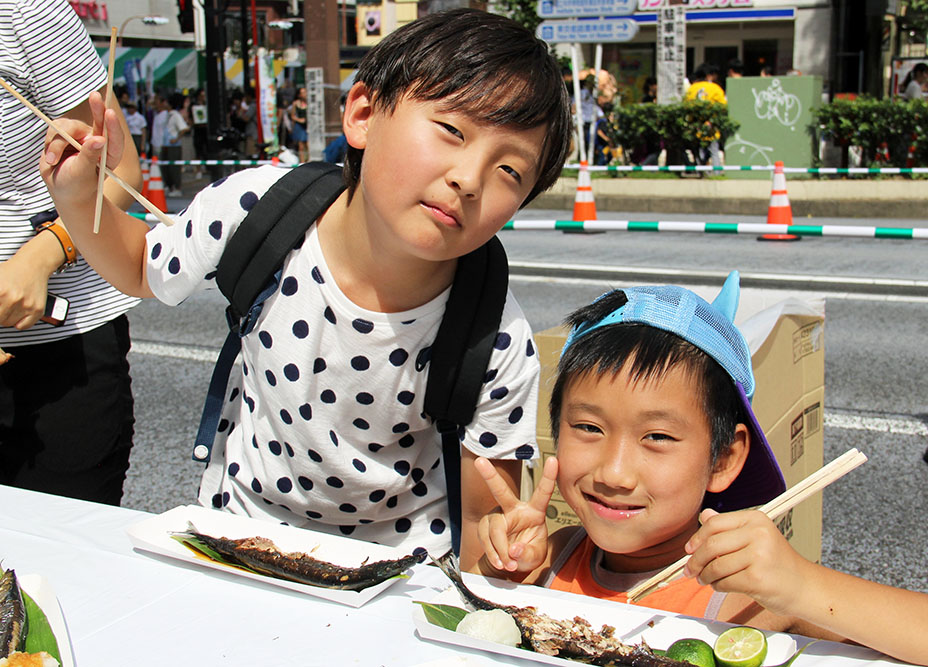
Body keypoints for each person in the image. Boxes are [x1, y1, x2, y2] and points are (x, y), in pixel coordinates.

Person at [40, 8, 572, 567]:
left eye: (510, 171)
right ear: (364, 114)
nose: (469, 178)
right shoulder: (258, 210)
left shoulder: (495, 335)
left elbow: (483, 522)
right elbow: (138, 266)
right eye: (451, 130)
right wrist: (78, 198)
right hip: (237, 536)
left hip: (400, 575)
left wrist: (507, 552)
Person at [470, 274, 928, 667]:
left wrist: (801, 585)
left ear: (724, 458)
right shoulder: (554, 554)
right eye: (589, 428)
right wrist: (502, 577)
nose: (614, 471)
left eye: (657, 437)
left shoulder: (745, 595)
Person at [0, 0, 141, 505]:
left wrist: (43, 254)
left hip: (59, 356)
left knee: (61, 568)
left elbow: (121, 174)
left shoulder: (24, 10)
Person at [684, 63, 726, 168]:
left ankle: (701, 171)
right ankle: (716, 172)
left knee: (699, 151)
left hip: (696, 125)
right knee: (714, 151)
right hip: (711, 126)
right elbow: (723, 107)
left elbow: (686, 107)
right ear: (709, 75)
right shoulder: (715, 88)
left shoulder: (692, 89)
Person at [160, 92, 190, 197]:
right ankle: (169, 186)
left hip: (174, 145)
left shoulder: (176, 115)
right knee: (166, 168)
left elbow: (184, 128)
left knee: (174, 168)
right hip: (166, 145)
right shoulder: (168, 115)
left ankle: (177, 188)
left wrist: (176, 138)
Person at [289, 86, 308, 162]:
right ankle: (302, 162)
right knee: (301, 145)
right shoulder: (296, 103)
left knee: (308, 144)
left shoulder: (310, 103)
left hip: (307, 125)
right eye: (303, 92)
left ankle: (309, 161)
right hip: (300, 125)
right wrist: (299, 120)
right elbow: (292, 116)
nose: (305, 94)